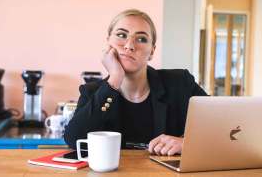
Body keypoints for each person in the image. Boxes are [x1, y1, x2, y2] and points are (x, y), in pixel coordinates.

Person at [64, 9, 207, 156]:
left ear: (152, 51)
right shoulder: (92, 92)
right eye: (121, 35)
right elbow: (74, 139)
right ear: (108, 43)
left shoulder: (180, 83)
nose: (129, 45)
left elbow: (222, 127)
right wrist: (114, 79)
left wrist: (187, 143)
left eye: (141, 39)